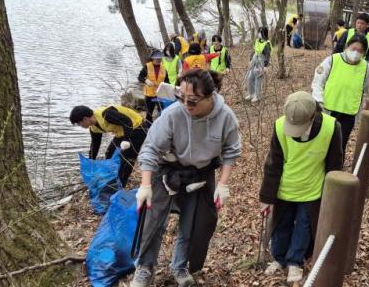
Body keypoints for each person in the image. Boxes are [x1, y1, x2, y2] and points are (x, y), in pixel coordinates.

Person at [132, 69, 242, 287]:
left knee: (192, 222)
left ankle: (180, 265)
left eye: (192, 101)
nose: (185, 105)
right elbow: (151, 148)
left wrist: (223, 184)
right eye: (181, 97)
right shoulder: (173, 114)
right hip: (167, 169)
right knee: (153, 221)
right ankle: (145, 267)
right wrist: (145, 185)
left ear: (210, 96)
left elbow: (231, 150)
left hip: (200, 173)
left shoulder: (226, 117)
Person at [259, 91, 344, 283]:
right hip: (284, 189)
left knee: (304, 227)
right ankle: (279, 258)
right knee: (281, 225)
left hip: (312, 190)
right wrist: (266, 197)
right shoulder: (280, 126)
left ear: (312, 116)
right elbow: (273, 164)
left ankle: (294, 261)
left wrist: (332, 195)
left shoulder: (331, 127)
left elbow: (334, 164)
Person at [312, 34, 369, 152]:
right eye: (353, 49)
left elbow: (368, 89)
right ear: (347, 47)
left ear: (364, 53)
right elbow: (318, 82)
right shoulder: (332, 60)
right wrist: (318, 101)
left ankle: (337, 163)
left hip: (349, 113)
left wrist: (368, 107)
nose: (356, 53)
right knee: (322, 143)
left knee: (340, 145)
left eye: (360, 51)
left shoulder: (367, 68)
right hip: (327, 109)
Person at [69, 104, 146, 186]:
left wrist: (126, 140)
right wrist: (91, 161)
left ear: (85, 119)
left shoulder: (106, 114)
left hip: (138, 128)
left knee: (126, 159)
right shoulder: (93, 128)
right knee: (109, 154)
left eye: (79, 123)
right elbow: (95, 145)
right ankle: (111, 177)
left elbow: (127, 121)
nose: (80, 126)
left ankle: (120, 185)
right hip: (121, 132)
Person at [137, 49, 169, 122]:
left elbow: (167, 81)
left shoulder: (164, 68)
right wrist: (146, 81)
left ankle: (161, 124)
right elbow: (140, 77)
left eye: (160, 58)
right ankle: (148, 125)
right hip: (150, 94)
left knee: (162, 110)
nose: (158, 60)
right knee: (149, 112)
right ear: (153, 58)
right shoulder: (147, 66)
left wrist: (167, 88)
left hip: (160, 94)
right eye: (157, 58)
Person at [245, 27, 272, 103]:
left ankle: (257, 96)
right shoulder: (257, 41)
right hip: (254, 60)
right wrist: (250, 60)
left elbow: (268, 55)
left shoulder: (267, 44)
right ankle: (251, 94)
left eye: (261, 32)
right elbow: (254, 51)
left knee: (258, 79)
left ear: (264, 33)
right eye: (259, 32)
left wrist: (265, 66)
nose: (259, 34)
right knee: (250, 77)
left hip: (261, 62)